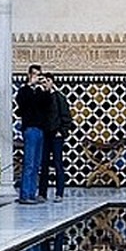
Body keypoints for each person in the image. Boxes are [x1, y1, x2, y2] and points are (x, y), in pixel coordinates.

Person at [15, 63, 51, 204]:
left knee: (36, 163)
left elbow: (46, 106)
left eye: (39, 74)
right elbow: (23, 103)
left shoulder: (39, 92)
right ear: (30, 75)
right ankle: (24, 194)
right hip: (30, 129)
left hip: (40, 129)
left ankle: (32, 193)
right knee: (29, 163)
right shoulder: (24, 91)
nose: (38, 77)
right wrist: (30, 85)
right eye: (36, 74)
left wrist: (46, 90)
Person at [38, 72, 74, 202]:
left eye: (47, 81)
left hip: (56, 135)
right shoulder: (41, 98)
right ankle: (42, 193)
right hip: (45, 134)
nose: (45, 84)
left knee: (58, 163)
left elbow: (67, 117)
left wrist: (62, 131)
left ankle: (59, 193)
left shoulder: (59, 98)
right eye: (43, 82)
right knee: (44, 164)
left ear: (52, 82)